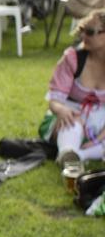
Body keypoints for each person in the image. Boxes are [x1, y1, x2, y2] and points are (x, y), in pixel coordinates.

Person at [45, 10, 105, 165]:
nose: (83, 36)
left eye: (90, 32)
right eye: (82, 30)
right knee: (71, 121)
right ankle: (68, 153)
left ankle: (79, 156)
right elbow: (54, 100)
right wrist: (62, 110)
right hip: (71, 113)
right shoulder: (73, 58)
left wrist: (99, 137)